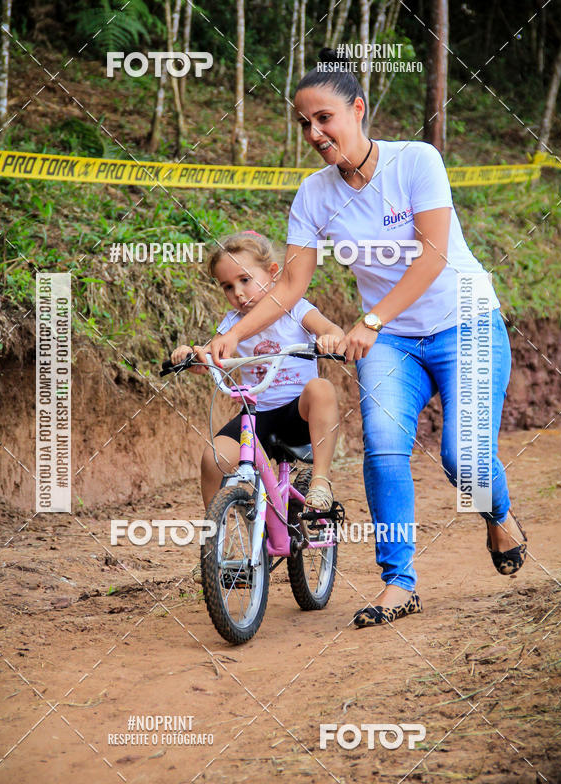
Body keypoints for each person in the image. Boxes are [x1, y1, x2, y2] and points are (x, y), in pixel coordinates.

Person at [211, 49, 527, 629]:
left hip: (467, 322)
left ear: (358, 110)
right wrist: (235, 337)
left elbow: (432, 257)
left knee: (463, 458)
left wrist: (370, 321)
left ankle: (497, 512)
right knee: (383, 448)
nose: (314, 132)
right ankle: (398, 584)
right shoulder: (313, 195)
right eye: (304, 123)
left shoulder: (416, 162)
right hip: (393, 343)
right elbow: (289, 286)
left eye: (325, 117)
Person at [172, 230, 344, 512]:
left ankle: (320, 481)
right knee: (213, 459)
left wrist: (330, 338)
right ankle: (219, 541)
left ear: (273, 273)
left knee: (321, 388)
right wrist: (191, 356)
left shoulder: (297, 310)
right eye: (227, 286)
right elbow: (210, 357)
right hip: (255, 418)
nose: (237, 293)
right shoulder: (232, 323)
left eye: (245, 280)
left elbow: (330, 330)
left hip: (298, 414)